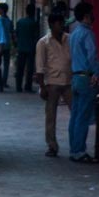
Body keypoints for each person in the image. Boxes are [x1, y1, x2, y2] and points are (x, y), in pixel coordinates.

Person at [67, 2, 99, 163]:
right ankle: (79, 150)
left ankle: (74, 148)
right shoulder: (88, 34)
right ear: (87, 16)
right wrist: (98, 72)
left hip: (75, 77)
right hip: (86, 78)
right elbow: (92, 56)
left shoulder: (73, 34)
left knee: (75, 115)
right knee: (82, 116)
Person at [35, 13, 72, 157]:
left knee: (75, 113)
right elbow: (40, 66)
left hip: (69, 82)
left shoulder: (69, 39)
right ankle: (52, 145)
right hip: (52, 83)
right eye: (59, 23)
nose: (62, 26)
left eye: (63, 23)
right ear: (51, 25)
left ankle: (75, 145)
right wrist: (42, 86)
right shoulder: (43, 43)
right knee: (51, 116)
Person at [15, 4, 39, 92]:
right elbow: (36, 36)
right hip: (31, 48)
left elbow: (16, 34)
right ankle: (28, 86)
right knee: (29, 69)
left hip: (21, 47)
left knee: (20, 68)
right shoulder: (34, 23)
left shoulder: (20, 22)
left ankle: (18, 86)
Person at [0, 3, 14, 89]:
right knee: (6, 65)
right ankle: (4, 81)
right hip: (7, 45)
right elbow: (12, 34)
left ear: (2, 10)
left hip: (0, 45)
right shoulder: (9, 21)